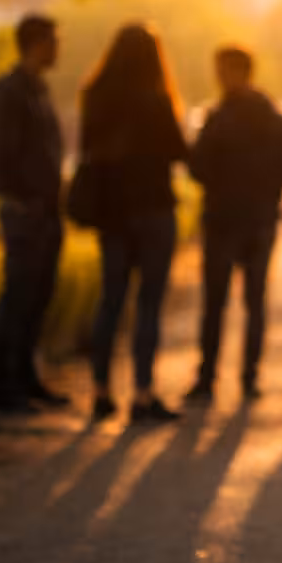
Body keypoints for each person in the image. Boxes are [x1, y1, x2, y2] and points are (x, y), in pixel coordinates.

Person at [80, 23, 188, 423]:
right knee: (148, 304)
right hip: (154, 211)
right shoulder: (157, 100)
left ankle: (100, 392)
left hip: (112, 215)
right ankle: (143, 394)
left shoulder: (95, 96)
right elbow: (180, 151)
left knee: (110, 301)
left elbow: (87, 150)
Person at [185, 47, 282, 402]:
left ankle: (207, 378)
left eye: (221, 70)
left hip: (223, 219)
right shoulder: (272, 116)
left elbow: (196, 167)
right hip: (259, 219)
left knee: (216, 302)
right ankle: (248, 379)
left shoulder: (217, 116)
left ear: (234, 71)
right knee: (253, 301)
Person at [0, 14, 71, 414]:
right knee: (18, 295)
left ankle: (27, 378)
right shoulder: (8, 93)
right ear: (36, 43)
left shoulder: (38, 90)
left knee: (38, 296)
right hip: (25, 212)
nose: (58, 49)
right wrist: (18, 199)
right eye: (54, 41)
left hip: (47, 211)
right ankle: (5, 385)